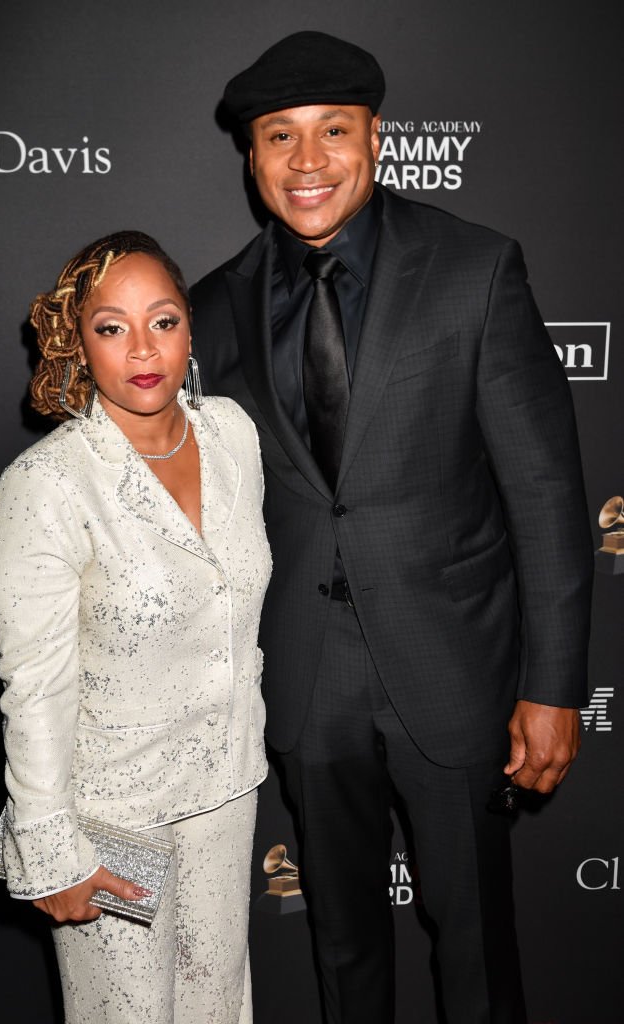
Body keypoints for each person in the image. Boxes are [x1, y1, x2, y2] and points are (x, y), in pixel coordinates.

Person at [190, 31, 594, 1024]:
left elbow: (544, 496)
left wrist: (551, 688)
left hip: (451, 669)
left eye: (332, 130)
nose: (306, 160)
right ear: (250, 158)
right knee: (341, 949)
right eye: (276, 137)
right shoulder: (209, 307)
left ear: (375, 136)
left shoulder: (475, 269)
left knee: (474, 950)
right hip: (301, 679)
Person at [0, 230, 271, 1024]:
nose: (142, 349)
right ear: (78, 341)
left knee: (218, 1005)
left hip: (225, 789)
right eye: (112, 327)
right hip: (113, 815)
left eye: (164, 321)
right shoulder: (46, 485)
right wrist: (52, 850)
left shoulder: (233, 437)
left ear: (189, 330)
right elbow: (34, 686)